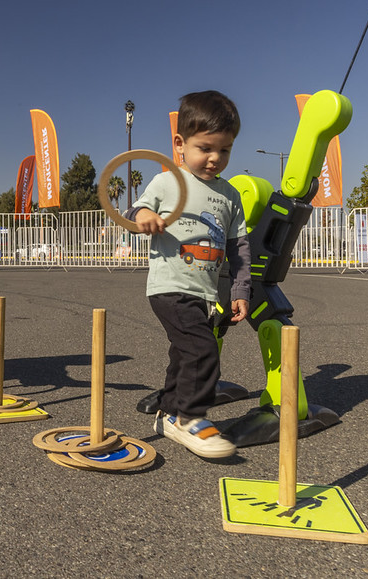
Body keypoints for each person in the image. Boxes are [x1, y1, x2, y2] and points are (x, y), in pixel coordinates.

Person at [125, 90, 251, 458]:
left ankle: (168, 411)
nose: (215, 158)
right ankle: (191, 418)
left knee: (184, 354)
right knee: (201, 349)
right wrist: (143, 217)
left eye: (224, 150)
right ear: (180, 144)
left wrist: (241, 290)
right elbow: (133, 214)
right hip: (169, 285)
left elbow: (240, 249)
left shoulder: (230, 196)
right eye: (205, 148)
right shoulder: (168, 183)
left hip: (206, 292)